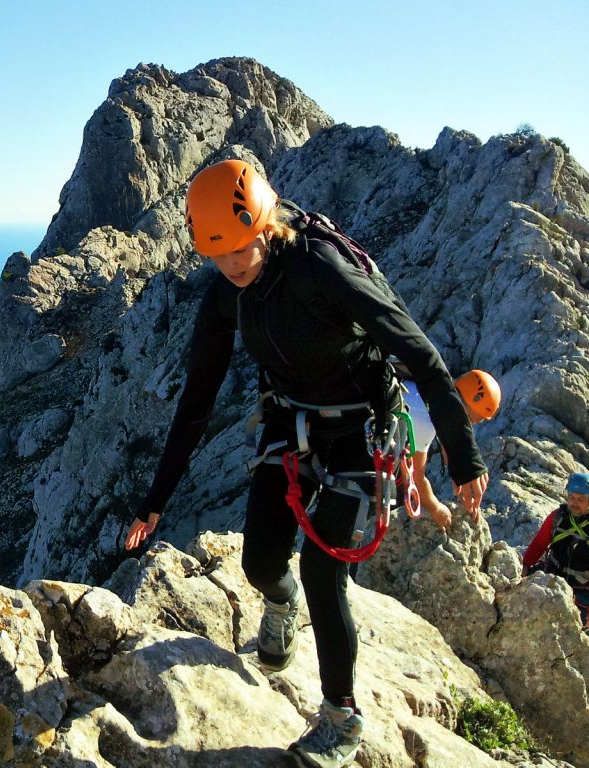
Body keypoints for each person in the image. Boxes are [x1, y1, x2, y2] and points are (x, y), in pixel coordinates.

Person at [123, 159, 489, 768]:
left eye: (242, 248)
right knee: (261, 561)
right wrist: (155, 500)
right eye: (220, 257)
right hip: (288, 425)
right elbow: (196, 401)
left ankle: (342, 720)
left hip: (362, 431)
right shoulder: (223, 296)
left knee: (326, 572)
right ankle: (280, 600)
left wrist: (462, 452)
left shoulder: (319, 267)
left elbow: (417, 351)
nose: (235, 265)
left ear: (264, 224)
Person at [401, 369, 501, 530]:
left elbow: (449, 438)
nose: (465, 428)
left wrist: (463, 478)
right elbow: (415, 479)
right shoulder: (424, 420)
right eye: (468, 422)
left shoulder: (433, 385)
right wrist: (436, 508)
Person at [521, 472, 589, 631]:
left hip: (581, 592)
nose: (574, 503)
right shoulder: (557, 517)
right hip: (550, 579)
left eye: (580, 499)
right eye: (572, 497)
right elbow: (539, 544)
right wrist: (525, 566)